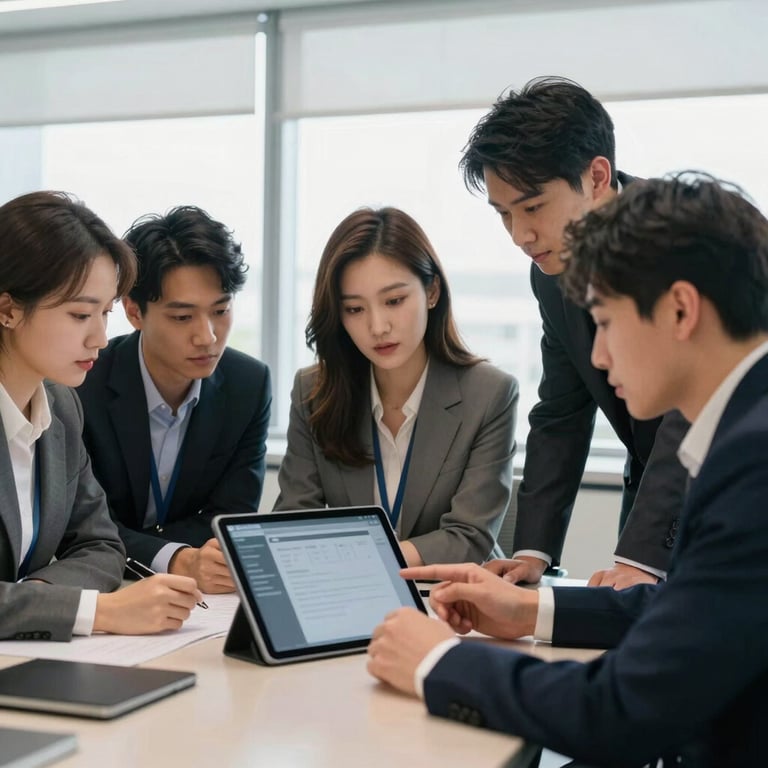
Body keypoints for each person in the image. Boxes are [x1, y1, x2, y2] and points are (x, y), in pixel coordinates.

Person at [367, 173, 768, 766]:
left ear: (681, 308)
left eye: (604, 322)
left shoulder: (752, 464)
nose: (599, 358)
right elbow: (697, 609)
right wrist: (533, 609)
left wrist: (437, 661)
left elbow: (620, 711)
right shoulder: (744, 430)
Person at [461, 76, 690, 589]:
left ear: (596, 175)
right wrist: (532, 550)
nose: (520, 235)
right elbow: (562, 409)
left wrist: (642, 558)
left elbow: (696, 411)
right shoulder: (550, 274)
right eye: (504, 215)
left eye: (533, 207)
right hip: (653, 488)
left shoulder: (689, 238)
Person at [0, 190, 202, 642]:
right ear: (8, 309)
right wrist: (96, 611)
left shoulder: (60, 407)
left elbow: (101, 545)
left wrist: (34, 601)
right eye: (80, 314)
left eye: (106, 313)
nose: (101, 338)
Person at [274, 206, 518, 566]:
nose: (377, 327)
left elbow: (469, 537)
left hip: (448, 601)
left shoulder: (489, 394)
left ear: (432, 291)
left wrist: (369, 558)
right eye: (355, 309)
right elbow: (294, 523)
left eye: (394, 301)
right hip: (346, 597)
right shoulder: (313, 392)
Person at [76, 205, 271, 594]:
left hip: (200, 596)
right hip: (103, 584)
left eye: (220, 311)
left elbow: (230, 515)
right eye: (183, 317)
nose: (208, 337)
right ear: (134, 311)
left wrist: (183, 555)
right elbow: (83, 526)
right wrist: (176, 557)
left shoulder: (248, 384)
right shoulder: (83, 385)